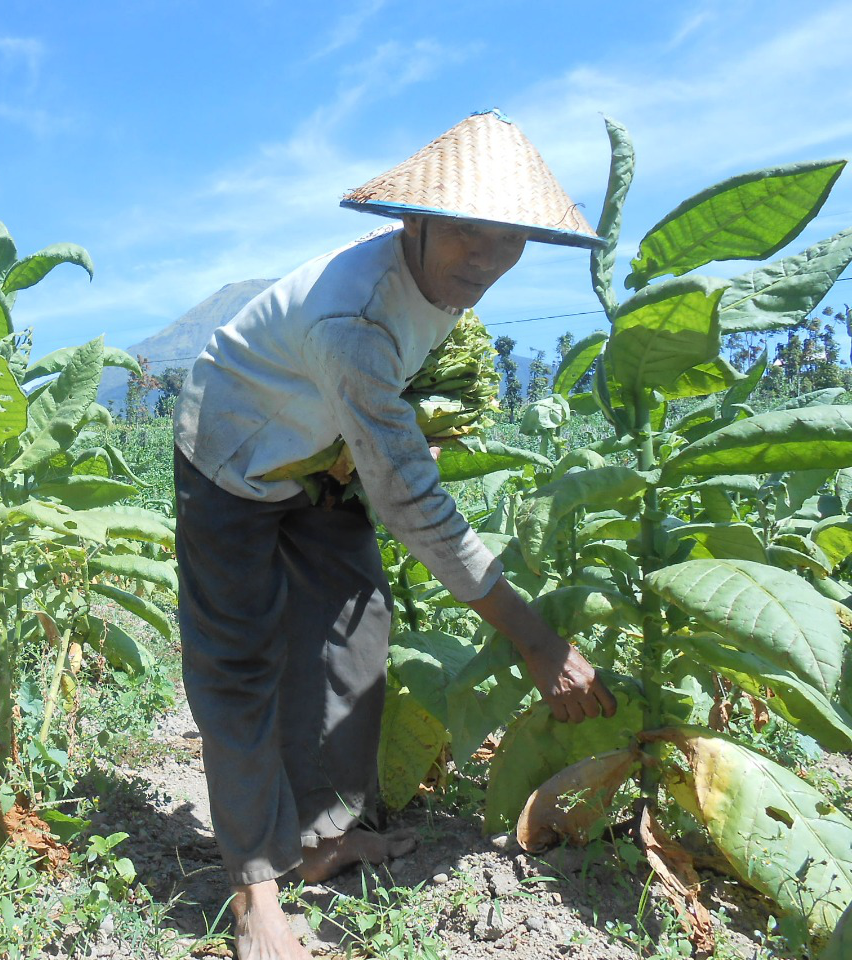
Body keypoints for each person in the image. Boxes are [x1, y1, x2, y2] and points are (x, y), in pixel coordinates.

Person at [171, 109, 619, 960]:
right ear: (411, 221)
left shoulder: (440, 290)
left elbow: (393, 426)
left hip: (319, 455)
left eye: (509, 240)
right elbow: (414, 504)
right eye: (463, 234)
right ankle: (255, 891)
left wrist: (361, 440)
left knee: (355, 626)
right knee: (240, 662)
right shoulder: (357, 319)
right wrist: (534, 640)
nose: (486, 261)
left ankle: (325, 836)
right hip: (233, 451)